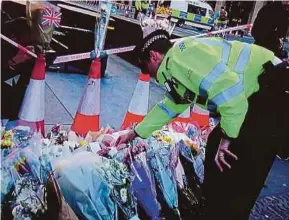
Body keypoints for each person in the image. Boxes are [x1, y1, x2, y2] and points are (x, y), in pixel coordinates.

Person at [116, 18, 289, 219]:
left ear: (153, 56)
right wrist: (134, 132)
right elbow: (170, 105)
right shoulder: (178, 62)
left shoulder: (181, 59)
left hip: (271, 93)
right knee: (222, 164)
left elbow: (231, 95)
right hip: (260, 95)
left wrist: (227, 138)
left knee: (238, 173)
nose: (151, 75)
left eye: (146, 68)